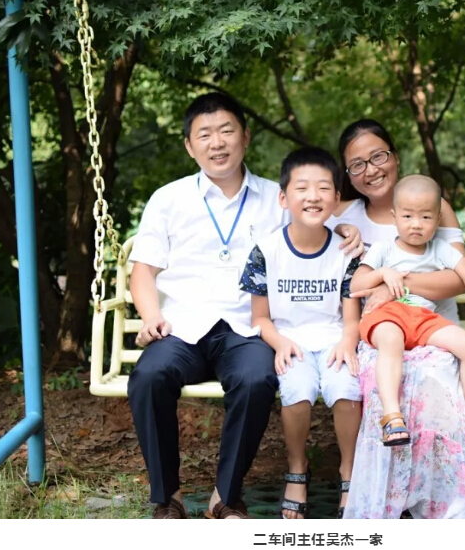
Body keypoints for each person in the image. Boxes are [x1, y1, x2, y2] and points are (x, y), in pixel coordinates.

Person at [127, 93, 362, 519]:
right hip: (182, 327)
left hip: (247, 328)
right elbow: (143, 271)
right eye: (204, 134)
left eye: (226, 131)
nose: (217, 142)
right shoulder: (168, 199)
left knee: (257, 379)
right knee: (149, 376)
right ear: (189, 146)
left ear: (246, 137)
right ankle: (168, 497)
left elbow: (319, 221)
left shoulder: (277, 197)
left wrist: (345, 228)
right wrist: (151, 317)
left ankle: (226, 496)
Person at [327, 118, 465, 519]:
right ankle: (389, 493)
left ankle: (435, 496)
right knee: (390, 373)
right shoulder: (344, 214)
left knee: (434, 375)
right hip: (382, 332)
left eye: (378, 156)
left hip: (432, 325)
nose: (370, 170)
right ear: (348, 173)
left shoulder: (435, 205)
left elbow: (456, 278)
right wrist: (343, 228)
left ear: (396, 157)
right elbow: (306, 228)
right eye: (357, 164)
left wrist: (397, 283)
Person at [240, 147, 362, 519]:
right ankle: (297, 468)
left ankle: (349, 471)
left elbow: (351, 318)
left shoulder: (346, 252)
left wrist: (348, 342)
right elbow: (260, 318)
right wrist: (279, 342)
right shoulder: (266, 251)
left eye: (324, 188)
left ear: (337, 199)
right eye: (302, 188)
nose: (313, 196)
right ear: (283, 198)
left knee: (347, 388)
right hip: (289, 341)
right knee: (297, 389)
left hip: (334, 339)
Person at [351, 174, 465, 453]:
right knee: (392, 339)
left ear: (437, 219)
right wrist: (383, 273)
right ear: (394, 216)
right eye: (408, 216)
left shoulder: (441, 250)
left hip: (422, 319)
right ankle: (392, 416)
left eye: (425, 217)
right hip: (386, 316)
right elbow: (356, 286)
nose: (416, 224)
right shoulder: (384, 249)